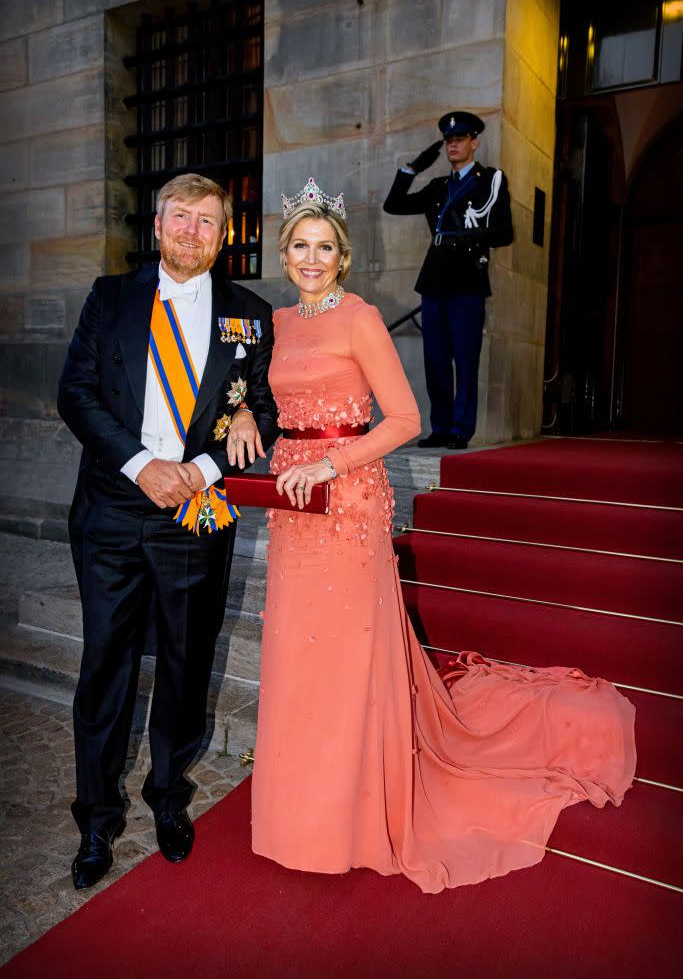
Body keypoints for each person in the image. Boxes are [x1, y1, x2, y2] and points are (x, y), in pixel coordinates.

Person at [248, 179, 635, 894]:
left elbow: (400, 420)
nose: (311, 258)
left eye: (324, 247)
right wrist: (245, 416)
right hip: (292, 505)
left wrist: (333, 461)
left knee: (346, 662)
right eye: (299, 245)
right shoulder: (278, 321)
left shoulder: (360, 317)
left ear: (342, 256)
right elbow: (274, 397)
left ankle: (350, 817)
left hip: (347, 499)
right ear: (283, 251)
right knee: (299, 660)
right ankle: (297, 812)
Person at [58, 173, 278, 890]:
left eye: (206, 221)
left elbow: (263, 408)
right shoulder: (111, 296)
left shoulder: (249, 313)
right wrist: (141, 465)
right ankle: (96, 815)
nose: (191, 231)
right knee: (106, 665)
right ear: (156, 225)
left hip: (193, 511)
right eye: (179, 217)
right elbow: (76, 394)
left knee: (186, 662)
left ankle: (168, 794)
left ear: (225, 235)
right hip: (115, 508)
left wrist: (212, 462)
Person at [383, 111, 513, 449]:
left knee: (465, 359)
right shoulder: (439, 186)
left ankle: (460, 429)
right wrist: (412, 169)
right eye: (448, 140)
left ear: (474, 142)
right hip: (435, 280)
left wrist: (468, 237)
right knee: (436, 360)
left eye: (459, 139)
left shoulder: (491, 180)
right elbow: (393, 205)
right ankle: (440, 427)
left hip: (467, 281)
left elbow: (505, 232)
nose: (452, 144)